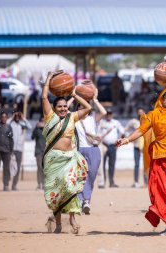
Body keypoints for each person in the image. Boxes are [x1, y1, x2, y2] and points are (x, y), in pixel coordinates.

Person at [116, 60, 166, 236]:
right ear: (162, 99)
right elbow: (141, 130)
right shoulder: (154, 115)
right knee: (162, 193)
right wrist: (127, 140)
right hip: (160, 159)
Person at [42, 71, 92, 234]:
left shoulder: (72, 117)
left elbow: (88, 107)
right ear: (54, 109)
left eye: (65, 106)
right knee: (56, 193)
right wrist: (49, 79)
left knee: (70, 188)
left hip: (69, 159)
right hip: (53, 161)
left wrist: (73, 94)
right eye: (60, 107)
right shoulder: (50, 118)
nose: (63, 109)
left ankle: (72, 218)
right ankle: (57, 224)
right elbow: (44, 98)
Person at [68, 86, 107, 214]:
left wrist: (95, 100)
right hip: (79, 150)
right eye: (80, 106)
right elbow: (65, 110)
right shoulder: (74, 119)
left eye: (84, 107)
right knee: (80, 177)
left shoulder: (93, 118)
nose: (82, 108)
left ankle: (85, 200)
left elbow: (104, 112)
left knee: (91, 176)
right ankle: (84, 201)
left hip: (93, 150)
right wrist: (73, 97)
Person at [99, 109, 124, 188]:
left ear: (112, 115)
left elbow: (123, 132)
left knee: (111, 165)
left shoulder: (116, 122)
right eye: (107, 114)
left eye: (110, 114)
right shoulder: (102, 122)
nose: (109, 116)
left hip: (113, 146)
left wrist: (119, 142)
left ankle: (111, 182)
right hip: (104, 145)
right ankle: (103, 182)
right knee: (102, 165)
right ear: (106, 115)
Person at [8, 111, 32, 191]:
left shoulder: (22, 125)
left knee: (17, 168)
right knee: (9, 167)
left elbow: (30, 127)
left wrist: (23, 118)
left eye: (19, 116)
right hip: (11, 149)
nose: (17, 117)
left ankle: (14, 185)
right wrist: (12, 116)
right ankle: (6, 184)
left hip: (19, 149)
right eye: (16, 116)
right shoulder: (10, 125)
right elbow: (6, 123)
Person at [0, 104, 13, 192]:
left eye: (5, 117)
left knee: (6, 169)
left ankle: (6, 185)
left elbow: (11, 139)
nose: (3, 118)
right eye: (2, 117)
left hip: (7, 151)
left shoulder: (9, 127)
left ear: (7, 118)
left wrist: (11, 151)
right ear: (0, 118)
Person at [125, 107, 146, 188]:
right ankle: (136, 182)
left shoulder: (147, 121)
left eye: (141, 112)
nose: (140, 114)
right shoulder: (134, 122)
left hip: (145, 146)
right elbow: (126, 129)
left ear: (144, 112)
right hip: (137, 146)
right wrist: (129, 138)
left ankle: (146, 182)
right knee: (136, 165)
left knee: (146, 165)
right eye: (139, 112)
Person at [31, 116, 46, 190]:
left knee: (45, 168)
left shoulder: (47, 129)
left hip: (46, 152)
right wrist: (36, 127)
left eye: (44, 121)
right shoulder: (37, 130)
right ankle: (39, 183)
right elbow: (32, 137)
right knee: (39, 168)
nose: (42, 122)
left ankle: (44, 184)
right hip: (38, 151)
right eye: (41, 121)